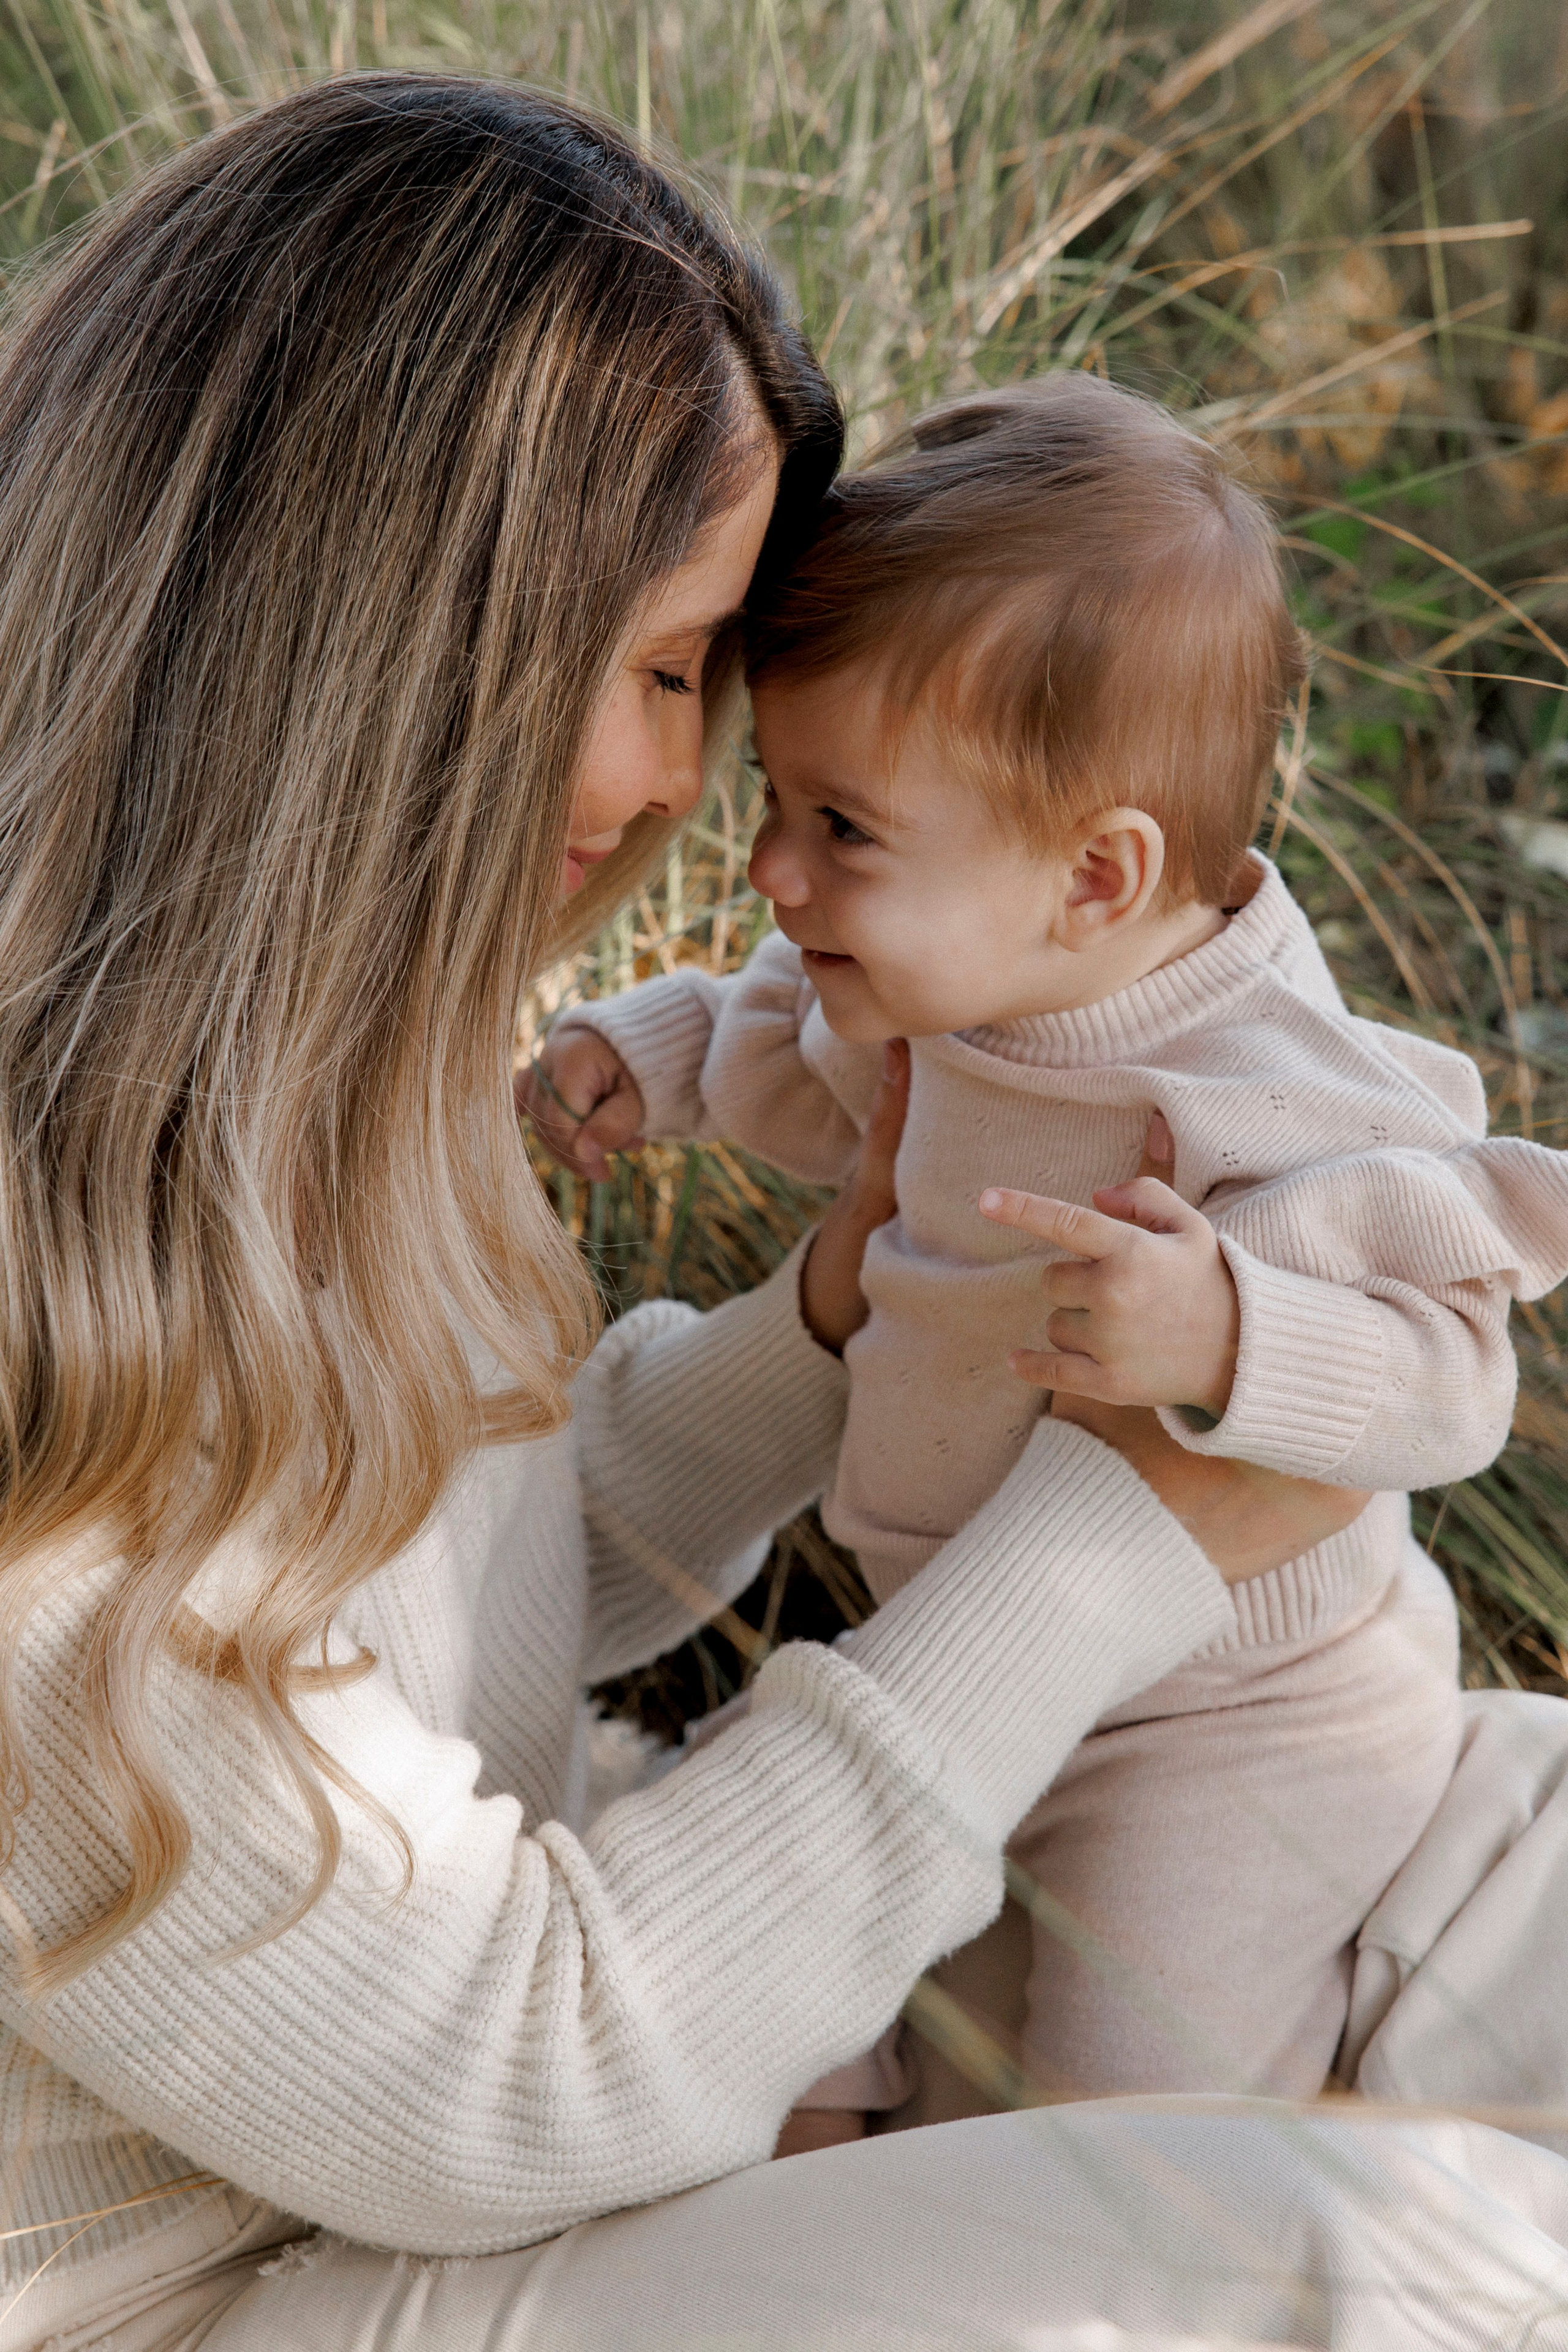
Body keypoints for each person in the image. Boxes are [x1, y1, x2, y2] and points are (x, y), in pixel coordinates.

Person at [0, 68, 1562, 2352]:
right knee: (1377, 2267)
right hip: (246, 2271)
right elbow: (499, 2079)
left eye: (703, 686)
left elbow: (454, 1571)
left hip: (514, 2040)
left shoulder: (322, 1071)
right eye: (648, 669)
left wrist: (829, 1330)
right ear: (364, 632)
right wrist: (1127, 1530)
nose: (678, 789)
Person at [522, 375, 1568, 2142]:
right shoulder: (942, 980)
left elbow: (1456, 1372)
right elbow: (791, 1040)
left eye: (840, 828)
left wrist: (1233, 1331)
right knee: (796, 2067)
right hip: (956, 1641)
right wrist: (654, 1053)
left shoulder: (1272, 1090)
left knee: (1120, 2114)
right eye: (777, 794)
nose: (770, 865)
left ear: (1098, 878)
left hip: (1233, 1721)